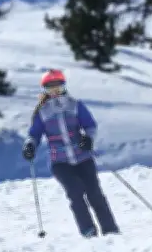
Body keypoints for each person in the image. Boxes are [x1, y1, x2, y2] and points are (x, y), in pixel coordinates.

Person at [21, 69, 120, 238]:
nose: (55, 92)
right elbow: (34, 134)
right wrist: (30, 145)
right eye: (50, 88)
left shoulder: (75, 105)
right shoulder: (42, 111)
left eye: (58, 87)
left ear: (64, 86)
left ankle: (110, 229)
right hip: (60, 163)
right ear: (44, 90)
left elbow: (90, 125)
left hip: (83, 158)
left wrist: (88, 139)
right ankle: (88, 231)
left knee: (94, 192)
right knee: (75, 193)